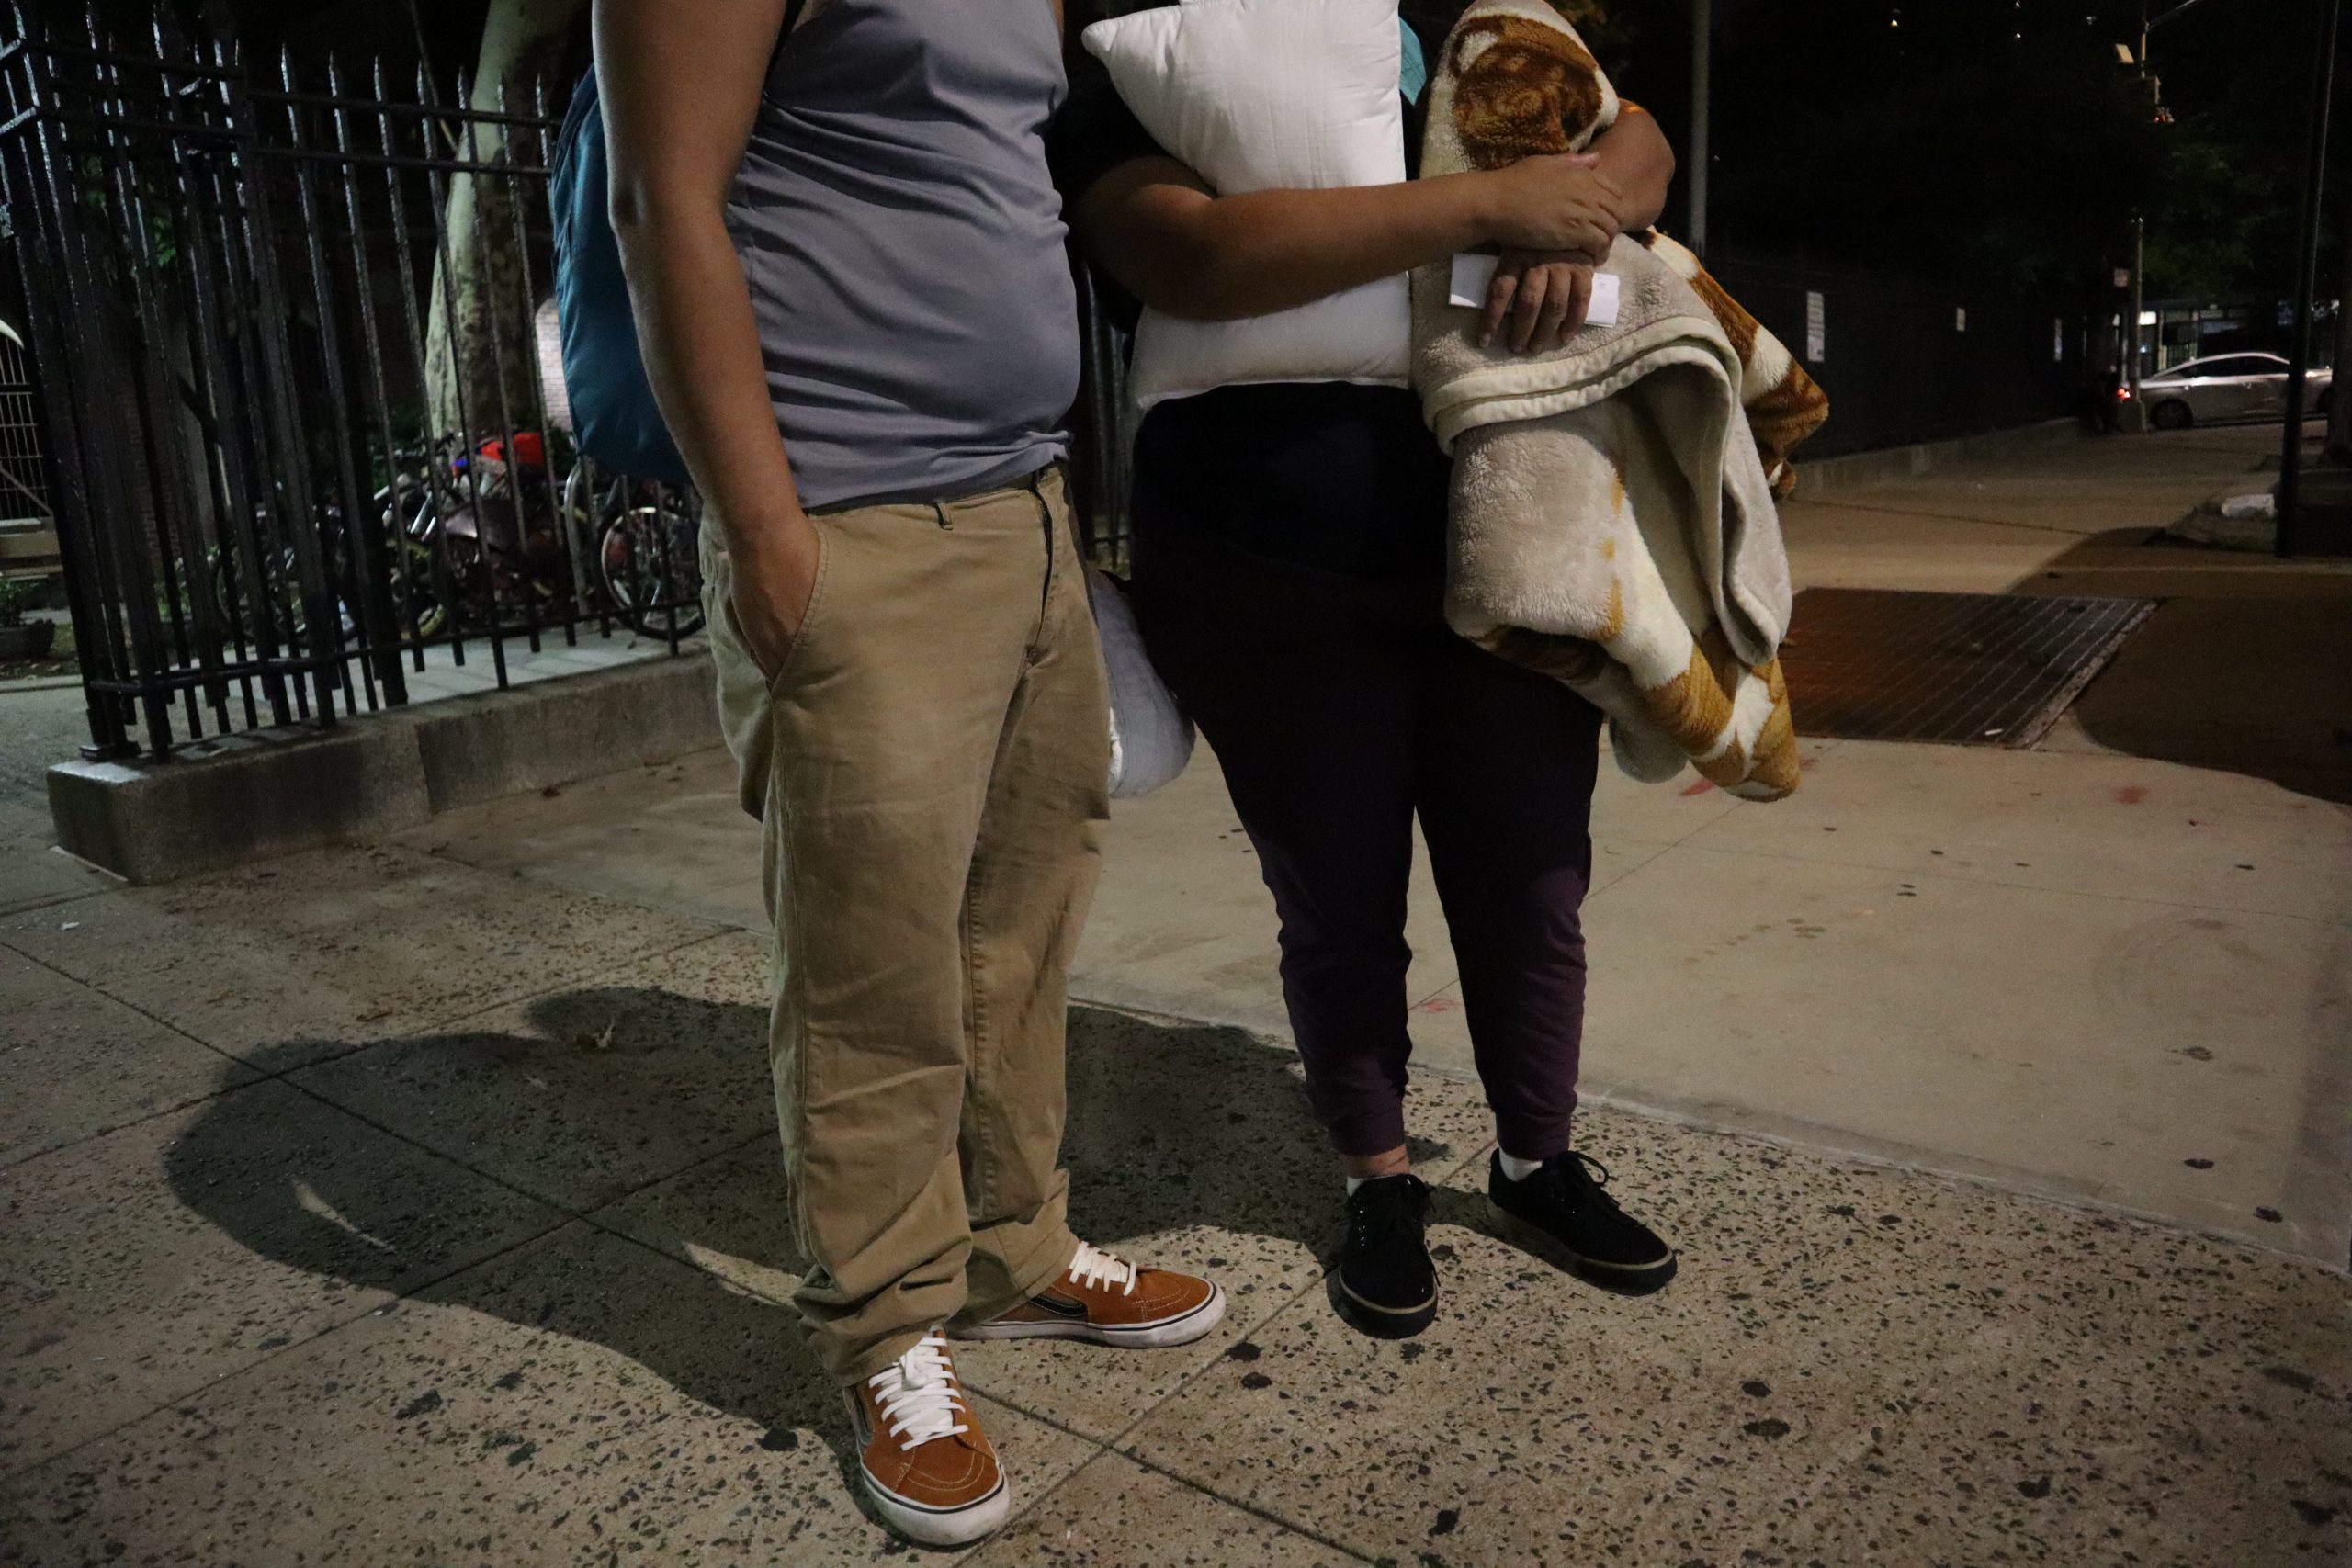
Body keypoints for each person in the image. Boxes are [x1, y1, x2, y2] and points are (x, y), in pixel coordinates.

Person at [594, 0, 1222, 1546]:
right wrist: (765, 536)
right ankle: (887, 1327)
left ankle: (1012, 1250)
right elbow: (661, 193)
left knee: (1021, 930)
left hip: (1023, 505)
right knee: (872, 964)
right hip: (852, 524)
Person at [1056, 3, 1681, 1342]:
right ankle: (1378, 1178)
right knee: (1334, 892)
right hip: (1257, 550)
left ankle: (1536, 1160)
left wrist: (1595, 210)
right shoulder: (1161, 39)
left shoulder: (1467, 16)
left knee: (1533, 874)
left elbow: (1638, 137)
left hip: (1518, 511)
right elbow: (1189, 254)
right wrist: (1494, 205)